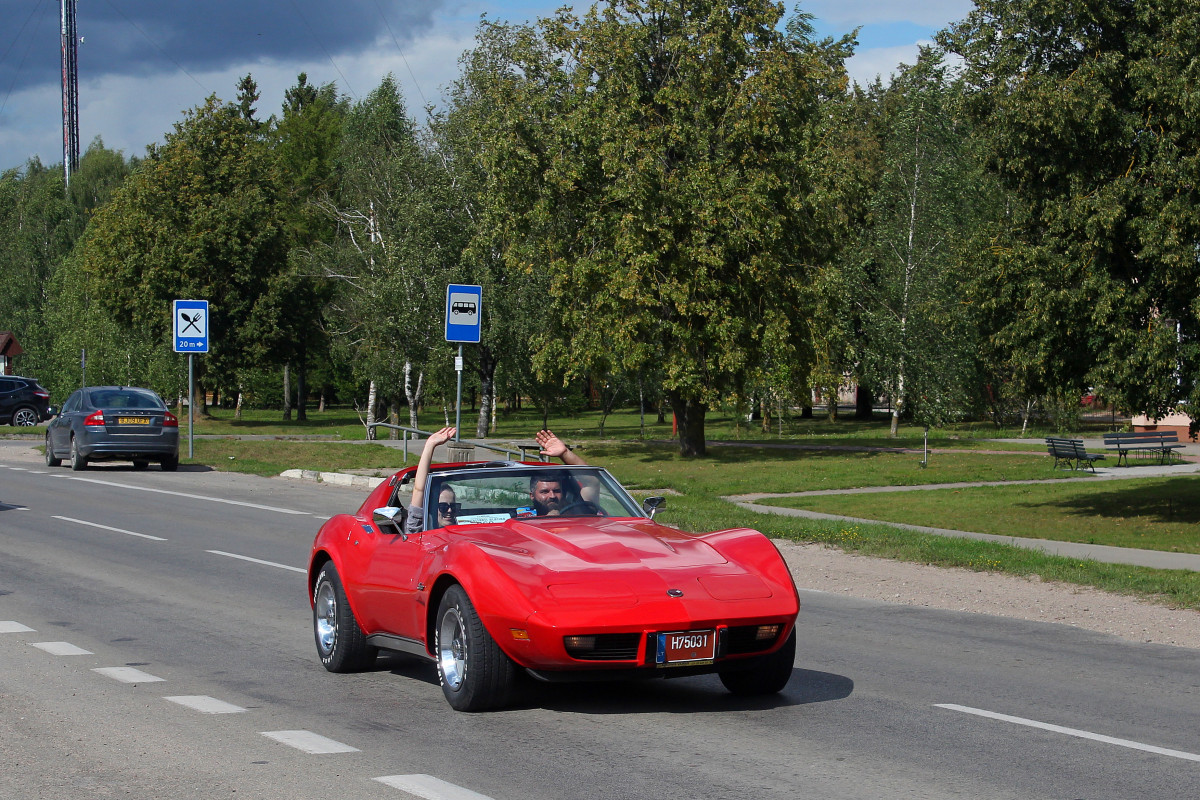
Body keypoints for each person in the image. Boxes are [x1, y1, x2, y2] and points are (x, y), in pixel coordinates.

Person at [525, 429, 600, 516]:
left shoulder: (578, 510)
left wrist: (565, 454)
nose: (552, 496)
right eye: (545, 492)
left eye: (557, 491)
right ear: (532, 495)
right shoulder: (521, 519)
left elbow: (592, 481)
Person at [405, 426, 459, 534]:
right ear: (432, 508)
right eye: (443, 507)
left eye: (453, 506)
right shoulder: (419, 530)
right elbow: (419, 489)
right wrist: (430, 445)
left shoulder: (460, 533)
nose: (449, 511)